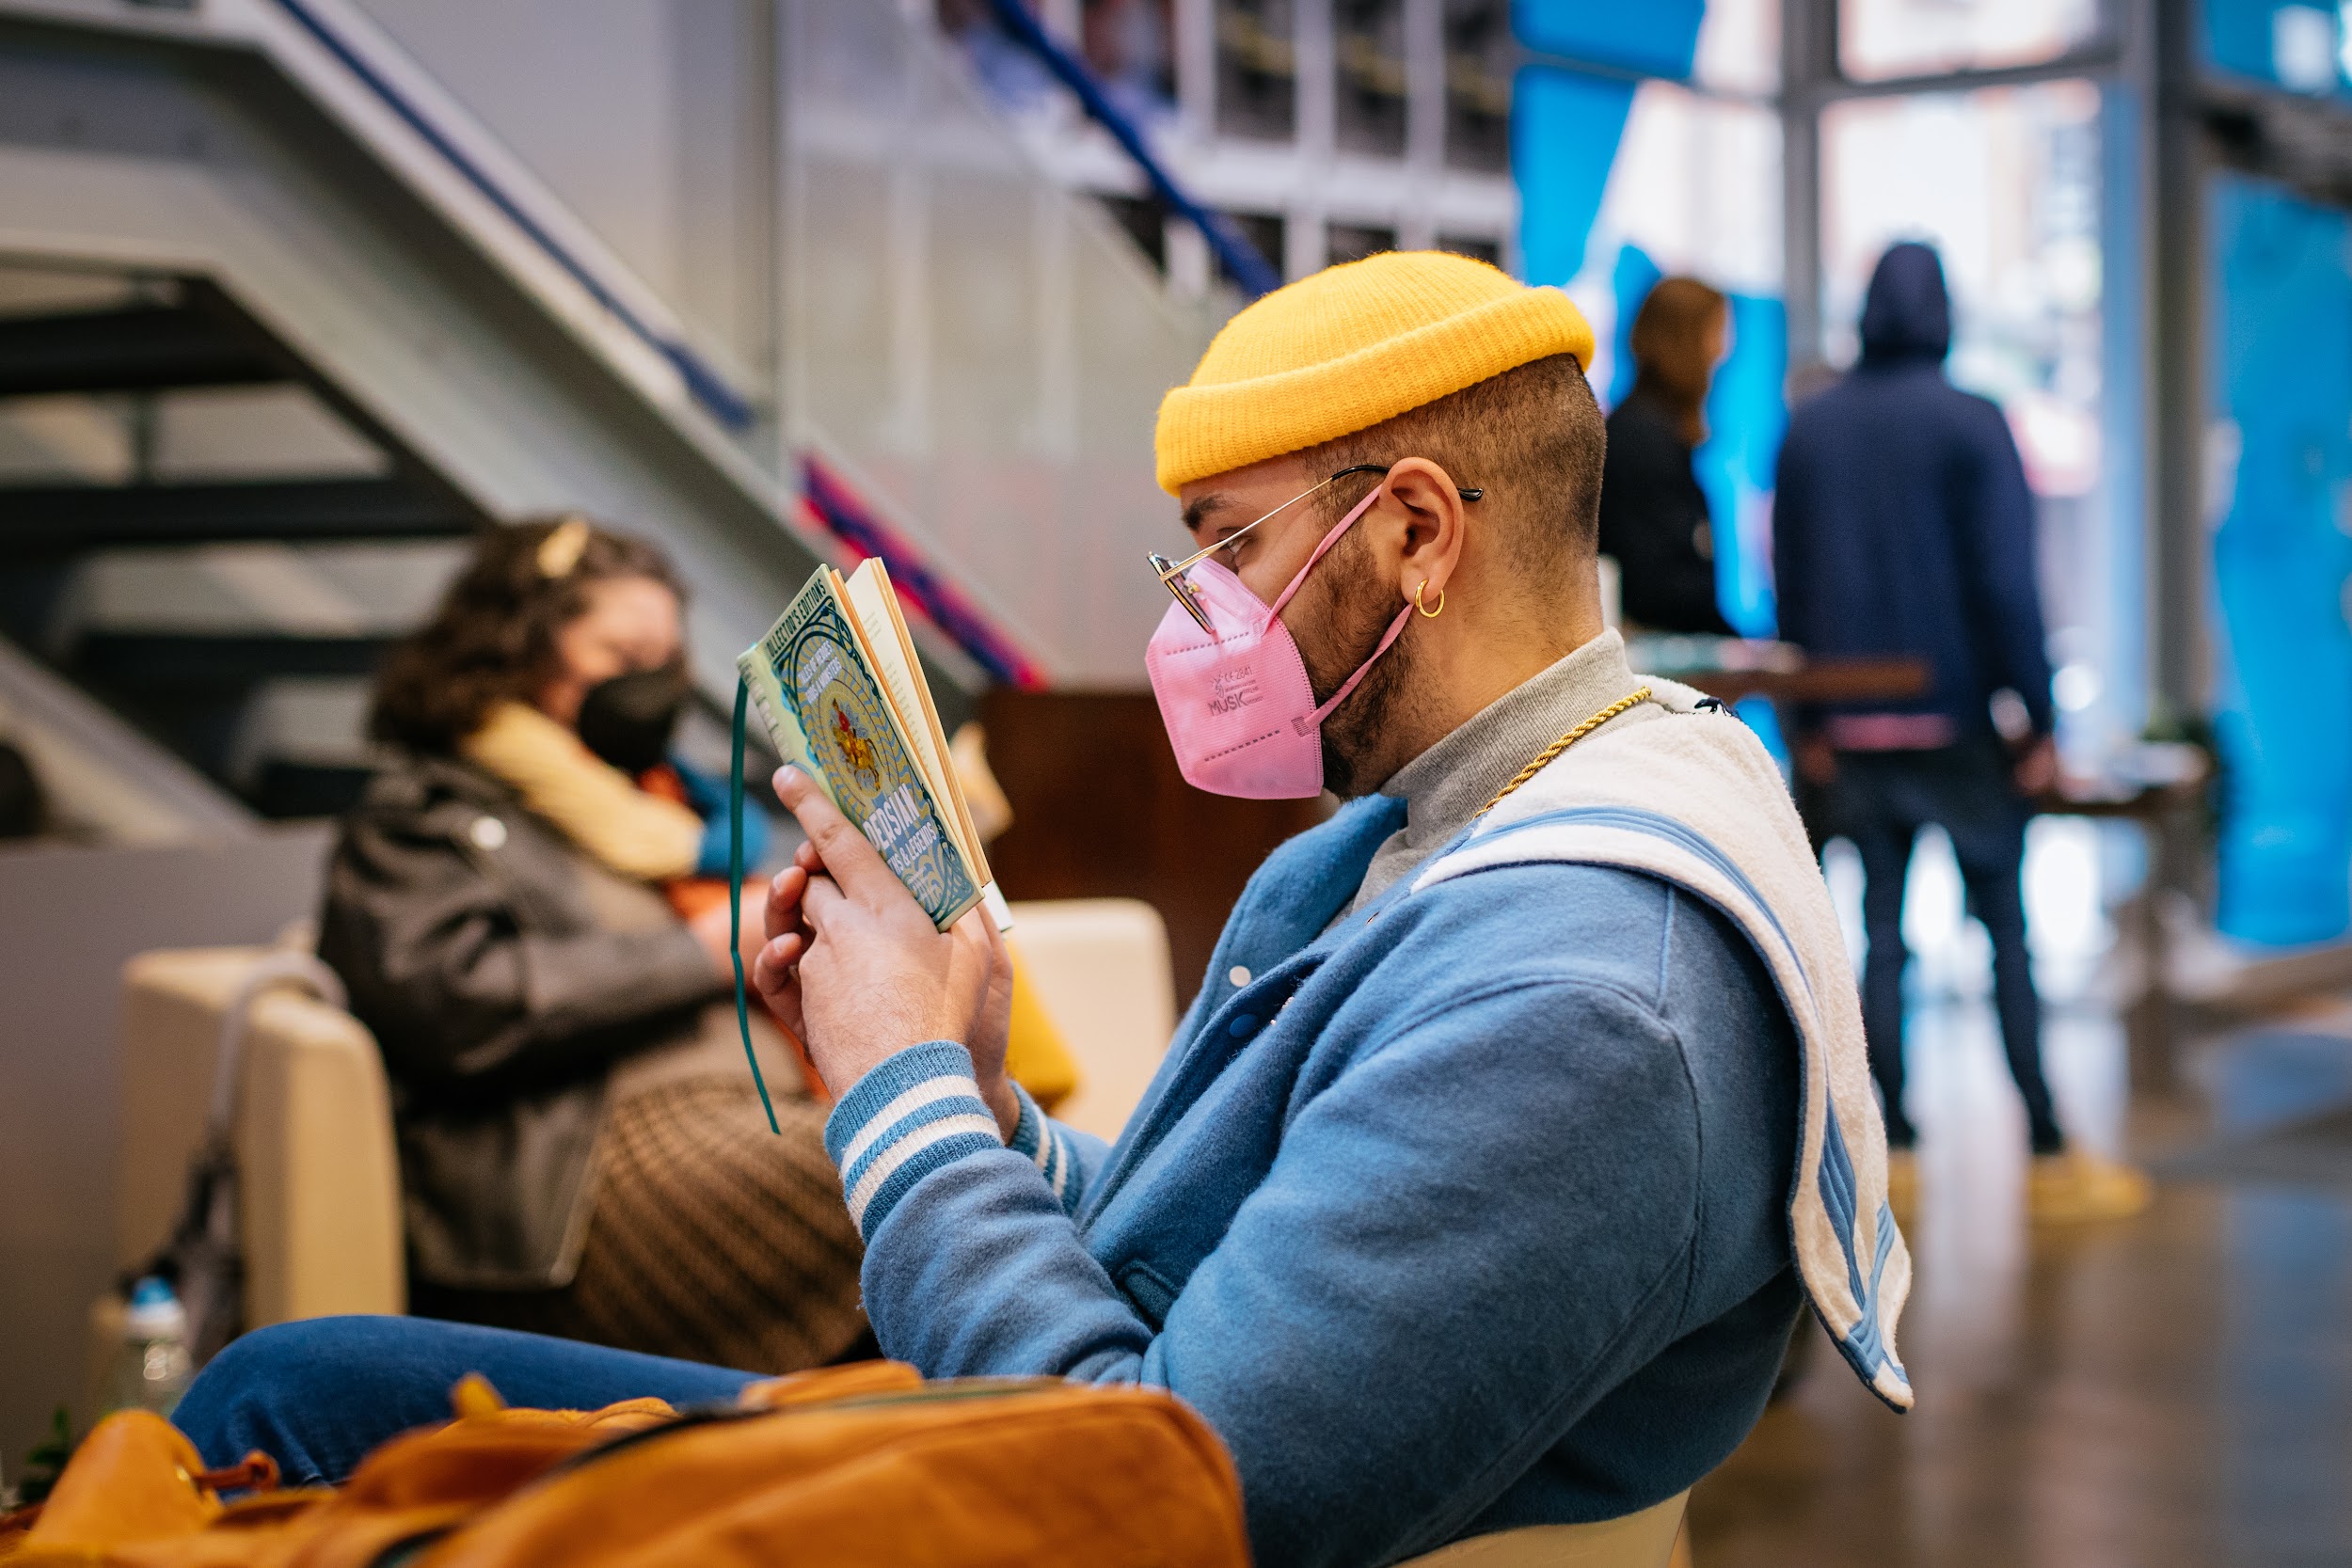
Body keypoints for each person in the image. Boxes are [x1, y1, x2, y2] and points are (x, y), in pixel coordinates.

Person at [178, 255, 1910, 1567]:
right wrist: (990, 1100)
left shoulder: (1589, 999)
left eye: (1228, 546)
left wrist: (898, 1100)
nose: (1196, 611)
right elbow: (1200, 1249)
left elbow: (1148, 1484)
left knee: (278, 1425)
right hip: (1032, 1430)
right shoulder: (1407, 839)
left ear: (1419, 535)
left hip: (1060, 1492)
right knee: (304, 1385)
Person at [313, 517, 870, 1373]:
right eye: (621, 653)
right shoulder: (422, 817)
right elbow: (452, 1004)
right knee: (902, 1175)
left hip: (753, 1118)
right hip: (585, 1178)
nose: (647, 684)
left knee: (947, 1149)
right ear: (515, 651)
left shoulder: (671, 806)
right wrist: (707, 944)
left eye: (666, 659)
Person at [1772, 241, 2149, 1224]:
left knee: (1881, 940)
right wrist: (2038, 720)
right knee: (2004, 939)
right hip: (1960, 727)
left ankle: (1890, 1145)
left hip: (1848, 730)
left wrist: (1808, 717)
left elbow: (1791, 585)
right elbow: (2004, 583)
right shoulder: (1974, 423)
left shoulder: (1808, 432)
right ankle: (2049, 1148)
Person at [1597, 276, 1738, 636]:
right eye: (1715, 334)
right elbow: (1659, 583)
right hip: (1651, 651)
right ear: (1686, 341)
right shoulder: (1644, 441)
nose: (1723, 352)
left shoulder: (1647, 433)